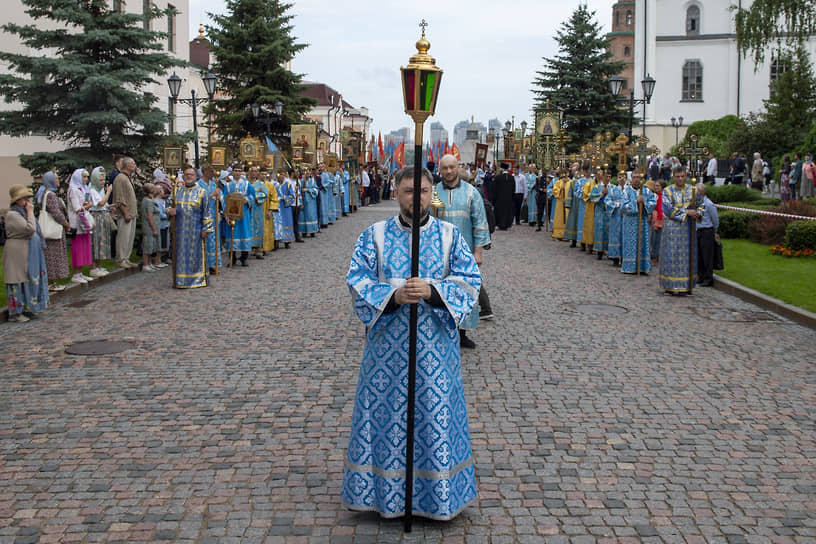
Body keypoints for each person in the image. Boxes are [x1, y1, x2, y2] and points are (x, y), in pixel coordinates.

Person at [341, 165, 480, 520]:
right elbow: (356, 279)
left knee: (435, 416)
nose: (414, 198)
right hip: (386, 351)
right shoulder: (373, 235)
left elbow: (470, 281)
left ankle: (436, 497)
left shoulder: (450, 236)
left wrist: (434, 292)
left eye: (420, 191)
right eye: (407, 191)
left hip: (436, 352)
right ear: (396, 193)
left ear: (430, 194)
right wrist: (394, 295)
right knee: (386, 418)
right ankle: (384, 495)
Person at [436, 154, 492, 337]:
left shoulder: (470, 192)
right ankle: (443, 332)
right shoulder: (434, 192)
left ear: (458, 167)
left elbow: (480, 223)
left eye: (452, 167)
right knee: (441, 291)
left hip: (465, 252)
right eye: (445, 168)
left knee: (464, 291)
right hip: (439, 252)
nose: (449, 171)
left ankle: (463, 334)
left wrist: (478, 252)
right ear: (440, 170)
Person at [4, 185, 49, 322]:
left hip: (29, 251)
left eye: (28, 199)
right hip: (17, 253)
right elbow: (29, 229)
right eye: (24, 199)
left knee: (30, 279)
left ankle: (28, 307)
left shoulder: (23, 212)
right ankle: (16, 312)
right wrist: (30, 213)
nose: (27, 202)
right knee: (17, 280)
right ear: (17, 200)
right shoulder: (13, 215)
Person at [659, 165, 704, 294]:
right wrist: (686, 212)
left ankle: (686, 285)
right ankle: (670, 284)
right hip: (672, 231)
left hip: (688, 230)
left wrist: (698, 213)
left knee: (687, 257)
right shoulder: (668, 191)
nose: (680, 179)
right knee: (672, 256)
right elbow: (667, 209)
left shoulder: (693, 190)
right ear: (673, 177)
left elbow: (701, 205)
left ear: (686, 176)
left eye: (682, 176)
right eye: (677, 176)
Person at [166, 166, 213, 288]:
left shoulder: (202, 192)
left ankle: (197, 279)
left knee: (195, 255)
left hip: (195, 230)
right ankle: (181, 280)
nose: (188, 177)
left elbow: (207, 211)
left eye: (191, 175)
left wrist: (206, 229)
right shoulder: (177, 191)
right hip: (180, 230)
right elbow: (168, 206)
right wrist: (170, 211)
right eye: (186, 174)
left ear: (196, 177)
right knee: (180, 255)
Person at [37, 170, 70, 290]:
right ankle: (50, 282)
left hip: (51, 230)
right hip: (53, 231)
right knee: (52, 256)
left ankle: (51, 282)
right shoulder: (50, 195)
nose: (58, 181)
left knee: (50, 256)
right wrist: (66, 223)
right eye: (55, 179)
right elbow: (56, 213)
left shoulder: (43, 193)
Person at [620, 171, 656, 274]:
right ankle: (629, 267)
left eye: (638, 177)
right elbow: (623, 206)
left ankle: (643, 267)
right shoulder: (626, 191)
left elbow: (653, 203)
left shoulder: (647, 191)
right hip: (630, 222)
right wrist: (635, 202)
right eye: (634, 177)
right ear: (631, 178)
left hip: (642, 221)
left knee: (643, 242)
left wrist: (644, 203)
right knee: (630, 244)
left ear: (641, 179)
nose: (636, 179)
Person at [66, 168, 96, 284]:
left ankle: (81, 272)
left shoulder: (83, 188)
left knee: (84, 247)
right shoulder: (73, 190)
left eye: (87, 177)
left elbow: (85, 203)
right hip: (77, 223)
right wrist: (87, 206)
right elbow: (77, 208)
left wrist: (87, 205)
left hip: (84, 223)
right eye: (84, 177)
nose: (86, 179)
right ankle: (76, 273)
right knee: (78, 248)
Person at [222, 164, 255, 266]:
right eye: (235, 170)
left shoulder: (247, 184)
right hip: (232, 214)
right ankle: (232, 258)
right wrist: (226, 215)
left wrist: (247, 200)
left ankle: (244, 258)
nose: (237, 172)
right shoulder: (228, 185)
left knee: (244, 233)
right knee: (232, 235)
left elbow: (253, 196)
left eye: (239, 170)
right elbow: (224, 200)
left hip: (243, 214)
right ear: (232, 172)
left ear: (241, 172)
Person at [111, 157, 138, 268]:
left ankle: (126, 258)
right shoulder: (120, 178)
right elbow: (120, 198)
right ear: (126, 165)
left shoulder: (128, 178)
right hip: (124, 214)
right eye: (133, 163)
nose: (135, 165)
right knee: (123, 237)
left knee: (129, 238)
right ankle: (120, 259)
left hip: (131, 213)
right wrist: (125, 213)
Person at [197, 165, 223, 274]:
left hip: (213, 215)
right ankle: (203, 263)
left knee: (214, 239)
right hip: (202, 216)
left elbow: (221, 200)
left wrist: (219, 198)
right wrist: (212, 194)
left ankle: (213, 263)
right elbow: (198, 199)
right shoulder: (198, 184)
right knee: (204, 239)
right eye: (210, 171)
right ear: (204, 172)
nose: (212, 174)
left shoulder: (213, 184)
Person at [88, 166, 112, 277]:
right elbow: (100, 203)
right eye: (100, 180)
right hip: (96, 218)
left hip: (102, 216)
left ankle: (98, 265)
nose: (102, 182)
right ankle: (93, 267)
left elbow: (104, 204)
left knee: (101, 241)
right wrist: (108, 192)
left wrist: (111, 206)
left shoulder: (100, 190)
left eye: (103, 180)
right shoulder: (92, 190)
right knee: (96, 242)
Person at [696, 183, 719, 287]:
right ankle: (700, 276)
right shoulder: (696, 203)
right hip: (698, 230)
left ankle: (708, 277)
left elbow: (715, 219)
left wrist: (714, 231)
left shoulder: (708, 204)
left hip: (706, 230)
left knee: (707, 256)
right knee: (699, 255)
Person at [604, 172, 626, 266]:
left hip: (626, 216)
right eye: (620, 177)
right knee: (616, 236)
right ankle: (615, 258)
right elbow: (607, 200)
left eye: (624, 177)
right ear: (617, 178)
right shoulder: (613, 190)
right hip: (616, 216)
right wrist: (616, 205)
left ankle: (625, 257)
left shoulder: (629, 190)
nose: (622, 179)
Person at [249, 166, 269, 259]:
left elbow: (265, 194)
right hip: (247, 209)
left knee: (258, 228)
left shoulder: (261, 184)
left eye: (255, 171)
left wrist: (254, 196)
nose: (253, 173)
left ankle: (258, 249)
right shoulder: (246, 183)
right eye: (252, 171)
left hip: (257, 209)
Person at [139, 182, 160, 272]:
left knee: (152, 245)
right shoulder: (148, 201)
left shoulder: (151, 199)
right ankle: (145, 263)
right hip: (149, 226)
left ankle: (150, 263)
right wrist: (154, 228)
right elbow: (150, 215)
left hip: (153, 225)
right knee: (148, 244)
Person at [590, 171, 610, 259]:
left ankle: (609, 251)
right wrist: (601, 194)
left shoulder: (613, 187)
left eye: (609, 176)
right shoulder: (597, 187)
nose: (608, 178)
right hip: (600, 211)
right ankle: (599, 250)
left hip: (609, 212)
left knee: (609, 231)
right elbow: (592, 197)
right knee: (600, 231)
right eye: (606, 176)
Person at [491, 163, 515, 230]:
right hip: (508, 199)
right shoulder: (511, 177)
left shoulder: (498, 177)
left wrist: (494, 198)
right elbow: (513, 189)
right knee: (507, 211)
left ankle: (500, 224)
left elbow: (494, 189)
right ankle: (507, 224)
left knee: (500, 212)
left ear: (502, 168)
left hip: (499, 199)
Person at [277, 170, 297, 248]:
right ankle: (277, 241)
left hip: (285, 207)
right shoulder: (276, 185)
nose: (281, 176)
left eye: (283, 175)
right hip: (277, 207)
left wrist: (285, 198)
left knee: (286, 223)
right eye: (280, 174)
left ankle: (287, 241)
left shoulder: (288, 185)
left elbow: (292, 196)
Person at [299, 168, 320, 237]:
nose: (307, 173)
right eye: (306, 172)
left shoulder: (312, 181)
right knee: (303, 216)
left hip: (311, 202)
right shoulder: (301, 181)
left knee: (311, 215)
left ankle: (312, 230)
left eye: (308, 172)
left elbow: (316, 190)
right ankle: (304, 231)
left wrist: (308, 190)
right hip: (304, 201)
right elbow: (299, 191)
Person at [580, 166, 596, 250]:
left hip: (599, 208)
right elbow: (585, 194)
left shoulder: (602, 184)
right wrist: (594, 196)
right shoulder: (588, 184)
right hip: (589, 206)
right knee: (588, 226)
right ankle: (587, 243)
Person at [649, 179, 664, 262]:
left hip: (659, 220)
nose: (656, 187)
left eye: (658, 186)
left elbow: (661, 210)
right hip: (654, 218)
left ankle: (656, 256)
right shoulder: (656, 196)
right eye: (656, 186)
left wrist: (658, 222)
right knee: (653, 239)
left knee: (657, 240)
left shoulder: (662, 197)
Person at [551, 168, 568, 240]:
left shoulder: (570, 182)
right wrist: (561, 189)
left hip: (567, 203)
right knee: (559, 218)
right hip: (560, 202)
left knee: (567, 217)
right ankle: (558, 233)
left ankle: (567, 234)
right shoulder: (558, 182)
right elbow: (555, 191)